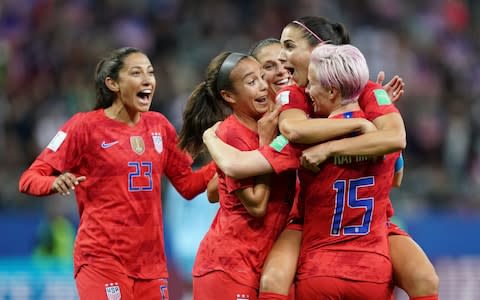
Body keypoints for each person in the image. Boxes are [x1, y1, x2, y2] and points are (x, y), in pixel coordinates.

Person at [203, 16, 438, 300]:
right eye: (267, 66)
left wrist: (331, 147)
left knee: (424, 278)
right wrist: (361, 125)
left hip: (360, 220)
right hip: (306, 217)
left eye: (288, 48)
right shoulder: (291, 100)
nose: (281, 61)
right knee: (276, 279)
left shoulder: (361, 92)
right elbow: (291, 131)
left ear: (321, 50)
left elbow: (395, 141)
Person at [18, 47, 216, 300]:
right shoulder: (84, 127)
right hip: (102, 261)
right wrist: (54, 182)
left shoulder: (159, 126)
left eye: (150, 73)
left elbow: (188, 185)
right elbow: (29, 178)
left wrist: (226, 163)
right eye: (136, 73)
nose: (147, 80)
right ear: (112, 83)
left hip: (151, 267)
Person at [178, 51, 296, 300]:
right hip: (228, 266)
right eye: (252, 82)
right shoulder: (232, 133)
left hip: (259, 262)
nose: (263, 85)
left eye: (262, 77)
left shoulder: (271, 123)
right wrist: (266, 145)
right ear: (229, 96)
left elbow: (213, 191)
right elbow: (256, 205)